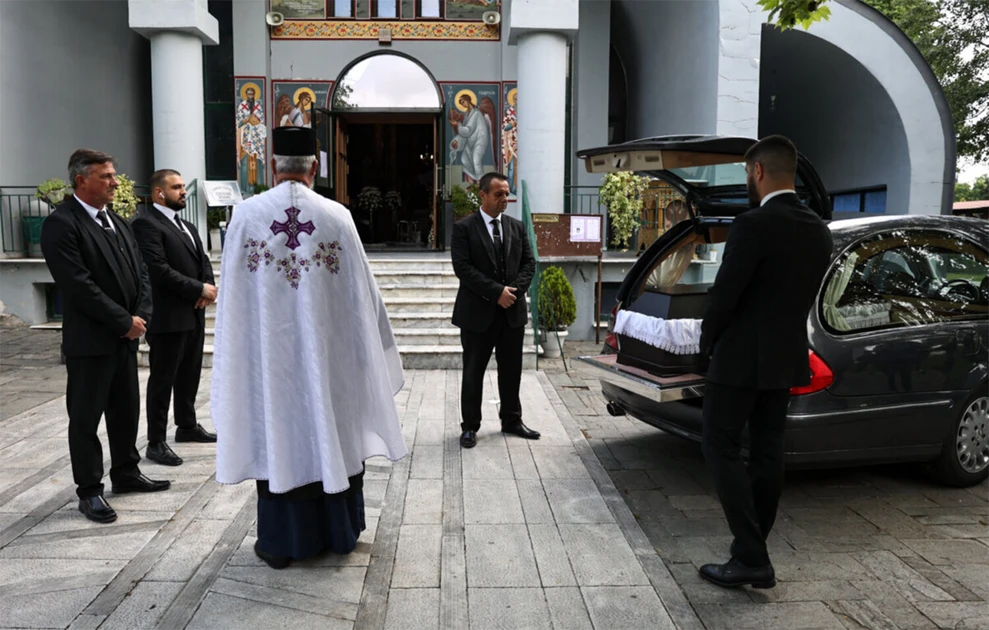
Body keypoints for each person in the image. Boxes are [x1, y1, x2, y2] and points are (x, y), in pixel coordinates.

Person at [211, 126, 408, 569]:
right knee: (331, 429)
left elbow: (235, 304)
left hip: (270, 361)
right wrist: (366, 349)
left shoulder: (246, 215)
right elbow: (365, 299)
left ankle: (283, 542)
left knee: (281, 433)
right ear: (315, 167)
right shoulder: (337, 216)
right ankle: (338, 534)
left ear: (271, 165)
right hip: (330, 361)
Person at [698, 135, 833, 589]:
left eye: (746, 174)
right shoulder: (818, 228)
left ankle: (752, 555)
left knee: (719, 444)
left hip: (738, 359)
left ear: (757, 171)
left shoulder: (752, 225)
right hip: (785, 355)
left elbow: (726, 294)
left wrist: (705, 340)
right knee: (767, 452)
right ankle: (751, 551)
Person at [40, 149, 171, 524]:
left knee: (126, 410)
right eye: (106, 176)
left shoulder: (117, 220)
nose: (116, 182)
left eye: (114, 175)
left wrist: (141, 315)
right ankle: (90, 491)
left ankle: (126, 473)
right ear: (81, 180)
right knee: (85, 417)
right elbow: (78, 286)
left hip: (125, 338)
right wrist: (122, 320)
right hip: (91, 342)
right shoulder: (62, 224)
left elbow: (141, 272)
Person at [131, 169, 218, 468]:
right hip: (167, 316)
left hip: (194, 313)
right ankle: (156, 441)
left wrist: (207, 288)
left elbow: (202, 261)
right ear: (159, 193)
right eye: (176, 187)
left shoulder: (188, 226)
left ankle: (187, 425)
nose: (183, 191)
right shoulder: (146, 224)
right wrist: (198, 287)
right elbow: (157, 268)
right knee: (163, 378)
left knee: (190, 373)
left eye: (183, 186)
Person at [451, 172, 539, 449]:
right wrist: (495, 293)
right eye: (499, 194)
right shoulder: (464, 228)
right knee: (473, 371)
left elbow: (529, 264)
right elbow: (462, 269)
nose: (505, 199)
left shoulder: (517, 227)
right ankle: (470, 427)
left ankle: (512, 420)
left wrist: (511, 293)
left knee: (512, 371)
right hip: (478, 314)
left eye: (507, 193)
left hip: (511, 314)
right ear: (483, 195)